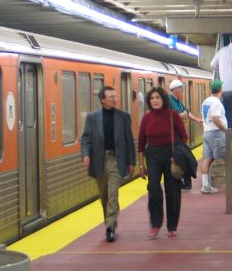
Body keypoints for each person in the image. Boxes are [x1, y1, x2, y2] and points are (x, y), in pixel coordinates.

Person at [81, 86, 135, 243]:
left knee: (113, 193)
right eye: (110, 97)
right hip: (99, 160)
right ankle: (110, 220)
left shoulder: (124, 117)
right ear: (102, 99)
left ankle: (109, 228)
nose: (114, 99)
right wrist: (85, 154)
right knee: (104, 195)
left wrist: (131, 161)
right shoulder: (92, 117)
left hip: (116, 160)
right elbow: (86, 138)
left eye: (115, 96)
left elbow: (129, 140)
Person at [137, 87, 188, 238]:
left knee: (172, 191)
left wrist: (177, 155)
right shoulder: (146, 118)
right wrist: (141, 165)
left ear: (163, 99)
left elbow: (184, 136)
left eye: (158, 98)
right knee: (153, 188)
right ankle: (155, 224)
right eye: (152, 98)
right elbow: (141, 142)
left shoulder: (173, 116)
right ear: (149, 101)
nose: (155, 101)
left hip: (170, 155)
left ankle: (172, 226)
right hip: (152, 154)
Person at [199, 80, 232, 193]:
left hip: (207, 133)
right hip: (216, 133)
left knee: (207, 158)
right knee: (226, 158)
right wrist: (226, 130)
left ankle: (205, 185)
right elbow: (215, 118)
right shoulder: (216, 103)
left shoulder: (206, 101)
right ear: (221, 89)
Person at [168, 79, 202, 191]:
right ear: (174, 89)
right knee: (182, 157)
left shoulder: (178, 101)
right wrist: (181, 115)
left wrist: (197, 119)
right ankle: (183, 181)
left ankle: (186, 182)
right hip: (172, 135)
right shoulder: (169, 101)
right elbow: (172, 116)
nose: (182, 90)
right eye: (180, 88)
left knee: (185, 157)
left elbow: (186, 113)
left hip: (180, 134)